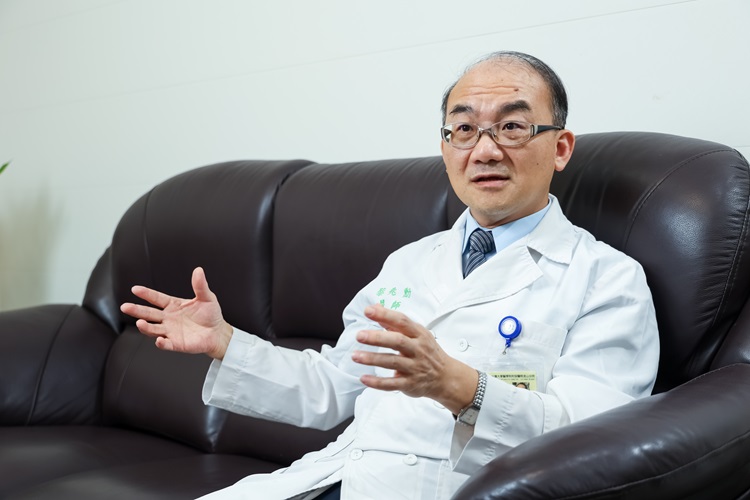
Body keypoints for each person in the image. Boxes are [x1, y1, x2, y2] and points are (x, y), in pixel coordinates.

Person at [120, 51, 660, 499]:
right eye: (464, 129)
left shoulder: (607, 279)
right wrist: (226, 343)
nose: (485, 150)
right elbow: (333, 387)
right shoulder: (409, 261)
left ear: (560, 148)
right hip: (339, 479)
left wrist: (457, 386)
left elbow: (591, 444)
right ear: (445, 148)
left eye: (512, 127)